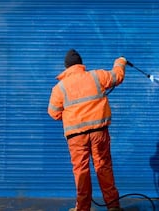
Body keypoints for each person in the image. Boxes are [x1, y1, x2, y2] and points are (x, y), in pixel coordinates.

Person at [48, 49, 126, 211]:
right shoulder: (96, 76)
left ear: (66, 67)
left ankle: (83, 208)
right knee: (103, 166)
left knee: (81, 171)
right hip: (99, 133)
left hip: (76, 136)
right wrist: (120, 62)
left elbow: (54, 113)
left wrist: (72, 114)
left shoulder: (59, 88)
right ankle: (113, 207)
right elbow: (117, 76)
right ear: (80, 64)